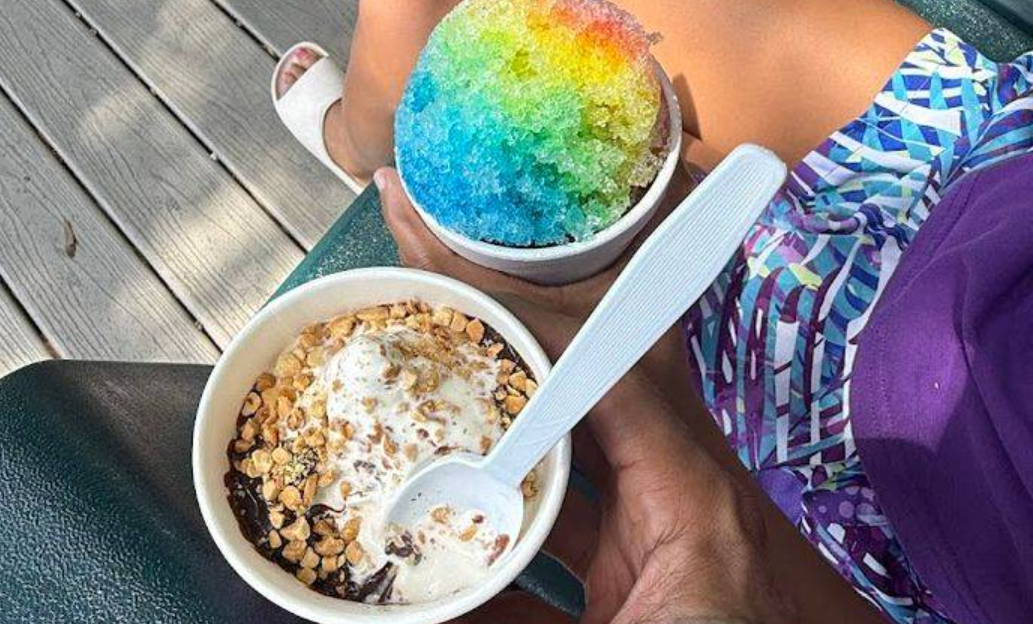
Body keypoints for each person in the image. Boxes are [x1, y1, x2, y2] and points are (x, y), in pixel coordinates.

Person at [273, 2, 1033, 623]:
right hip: (993, 187)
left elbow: (757, 577)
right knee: (568, 46)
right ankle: (371, 145)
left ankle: (359, 144)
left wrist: (659, 394)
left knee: (560, 185)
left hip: (881, 498)